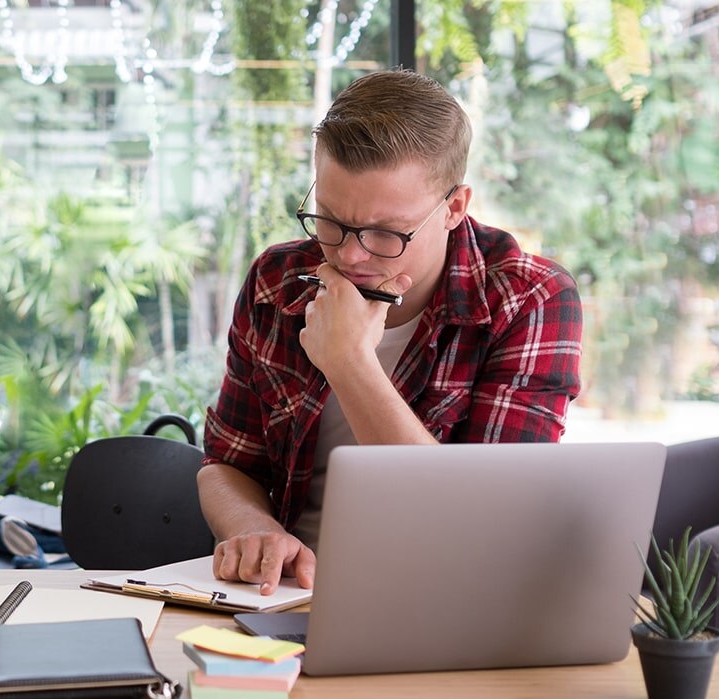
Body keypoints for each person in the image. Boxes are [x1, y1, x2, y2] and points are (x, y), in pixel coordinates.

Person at [200, 70, 583, 595]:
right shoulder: (278, 280)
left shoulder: (528, 298)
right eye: (331, 221)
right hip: (284, 599)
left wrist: (349, 363)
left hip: (444, 600)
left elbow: (482, 530)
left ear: (453, 209)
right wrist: (254, 528)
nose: (350, 255)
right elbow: (226, 464)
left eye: (386, 233)